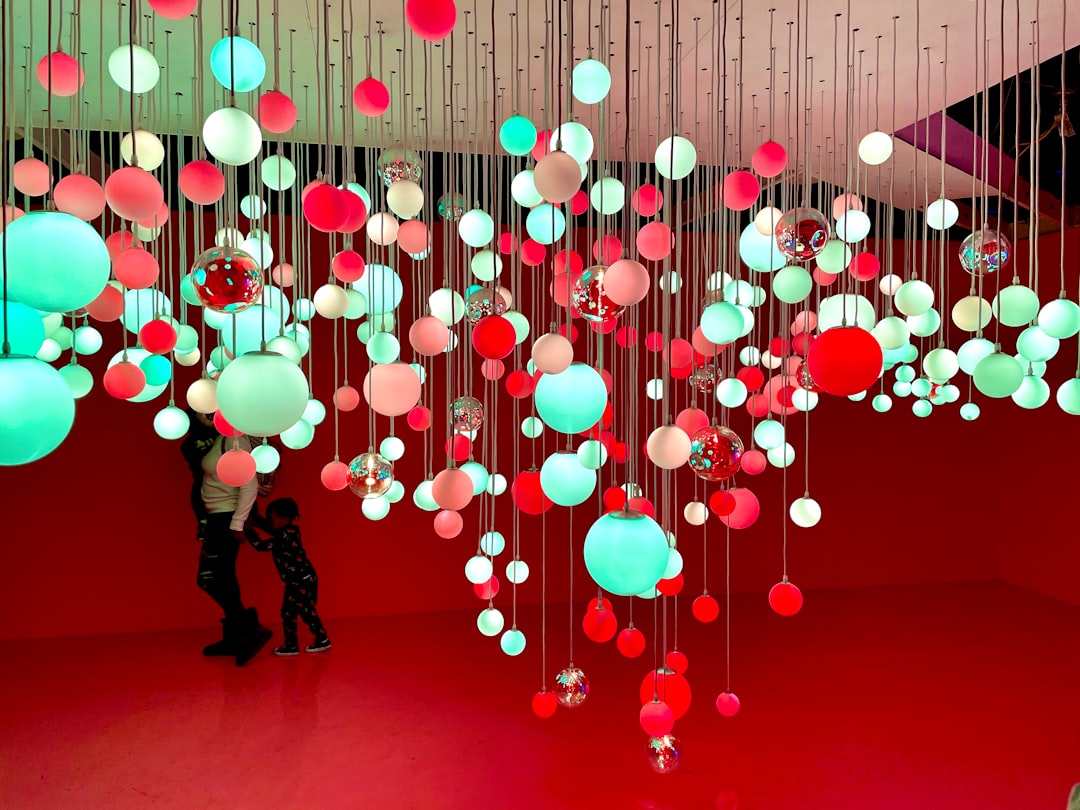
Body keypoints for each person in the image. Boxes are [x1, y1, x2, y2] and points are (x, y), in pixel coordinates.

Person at [180, 410, 272, 666]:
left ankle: (250, 627)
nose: (207, 416)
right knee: (223, 576)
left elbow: (249, 484)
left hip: (226, 518)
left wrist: (237, 524)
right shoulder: (219, 438)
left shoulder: (234, 440)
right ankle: (235, 636)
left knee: (210, 578)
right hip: (216, 518)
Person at [246, 497, 331, 656]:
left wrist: (249, 530)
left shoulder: (283, 537)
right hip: (301, 579)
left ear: (284, 518)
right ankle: (292, 645)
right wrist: (257, 520)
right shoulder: (291, 530)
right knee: (291, 612)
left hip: (301, 581)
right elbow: (272, 528)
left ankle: (321, 638)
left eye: (272, 518)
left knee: (304, 610)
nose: (270, 521)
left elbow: (260, 546)